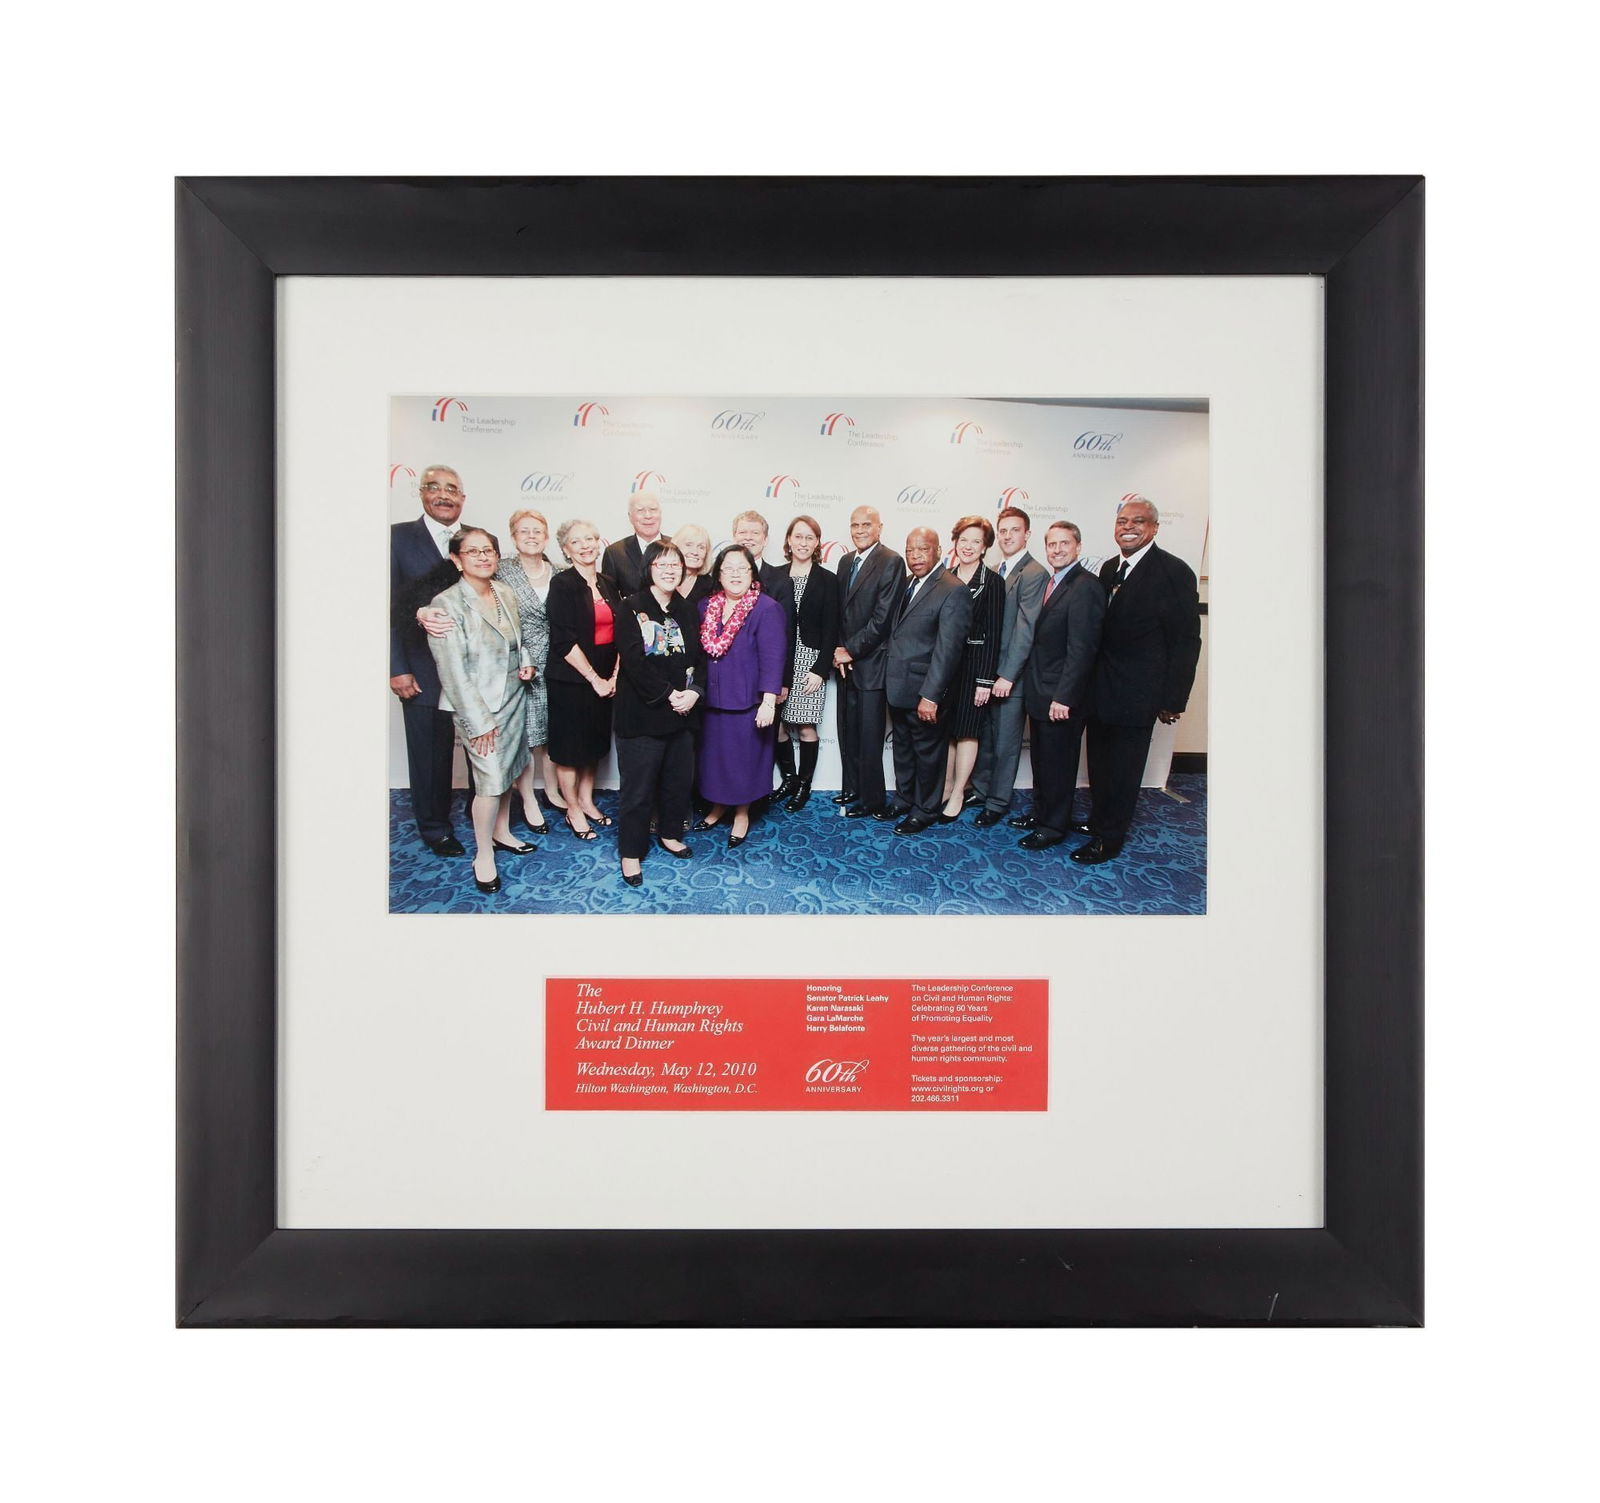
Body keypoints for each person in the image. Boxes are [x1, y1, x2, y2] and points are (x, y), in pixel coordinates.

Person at [1074, 495, 1202, 865]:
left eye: (1138, 521)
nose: (1128, 527)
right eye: (1122, 522)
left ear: (1155, 528)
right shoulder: (1110, 568)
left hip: (1138, 693)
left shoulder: (1174, 572)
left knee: (1124, 769)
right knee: (1099, 763)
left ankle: (1110, 838)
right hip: (1101, 689)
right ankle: (1099, 820)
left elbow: (1186, 640)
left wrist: (1173, 699)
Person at [426, 528, 536, 894]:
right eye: (473, 552)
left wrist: (527, 662)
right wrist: (478, 722)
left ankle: (502, 832)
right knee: (489, 782)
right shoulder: (445, 604)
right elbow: (452, 672)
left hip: (513, 696)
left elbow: (518, 639)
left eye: (488, 550)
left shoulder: (504, 591)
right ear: (457, 560)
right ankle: (483, 854)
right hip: (478, 707)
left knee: (508, 770)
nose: (483, 557)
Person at [390, 464, 474, 855]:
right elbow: (385, 606)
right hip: (421, 667)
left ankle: (483, 815)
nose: (443, 495)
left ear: (462, 498)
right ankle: (435, 828)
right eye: (434, 487)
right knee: (429, 753)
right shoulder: (397, 538)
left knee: (481, 745)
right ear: (421, 493)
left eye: (452, 489)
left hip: (471, 669)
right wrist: (397, 668)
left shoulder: (473, 540)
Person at [613, 541, 704, 888]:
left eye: (675, 565)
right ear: (649, 568)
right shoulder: (630, 607)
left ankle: (669, 834)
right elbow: (633, 662)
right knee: (638, 790)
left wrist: (694, 693)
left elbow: (700, 658)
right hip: (643, 715)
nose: (669, 570)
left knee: (677, 783)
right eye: (662, 564)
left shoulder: (687, 609)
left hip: (683, 713)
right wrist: (669, 694)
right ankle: (631, 851)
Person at [1017, 521, 1107, 851]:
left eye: (1064, 543)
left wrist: (1065, 697)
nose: (1057, 550)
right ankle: (1043, 814)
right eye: (1052, 544)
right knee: (1043, 761)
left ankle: (1053, 827)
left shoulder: (1086, 586)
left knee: (1058, 764)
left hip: (1061, 697)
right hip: (1041, 690)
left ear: (1078, 547)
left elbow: (1082, 649)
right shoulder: (1052, 582)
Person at [881, 527, 973, 835]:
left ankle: (925, 810)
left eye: (922, 549)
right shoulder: (908, 583)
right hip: (899, 687)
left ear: (938, 551)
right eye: (910, 550)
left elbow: (949, 650)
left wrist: (931, 696)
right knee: (903, 749)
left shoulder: (953, 589)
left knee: (928, 754)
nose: (915, 556)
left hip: (925, 692)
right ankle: (904, 799)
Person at [694, 545, 786, 846]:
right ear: (719, 574)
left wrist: (768, 702)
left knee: (744, 761)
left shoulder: (767, 608)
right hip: (712, 699)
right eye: (728, 568)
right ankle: (718, 806)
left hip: (748, 702)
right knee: (715, 759)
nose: (735, 574)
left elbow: (773, 658)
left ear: (752, 573)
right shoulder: (705, 606)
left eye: (742, 568)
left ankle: (742, 813)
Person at [971, 506, 1050, 827]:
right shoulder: (993, 569)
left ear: (1027, 534)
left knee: (1005, 743)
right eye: (1002, 531)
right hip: (986, 673)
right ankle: (981, 789)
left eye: (1014, 530)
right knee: (986, 737)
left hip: (1010, 677)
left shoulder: (1034, 573)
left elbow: (1025, 629)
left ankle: (998, 801)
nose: (1007, 536)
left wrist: (1007, 675)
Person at [546, 519, 623, 840]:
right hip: (572, 680)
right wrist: (594, 678)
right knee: (569, 749)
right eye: (576, 541)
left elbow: (622, 633)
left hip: (605, 678)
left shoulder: (607, 582)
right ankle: (573, 809)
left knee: (593, 745)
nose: (585, 546)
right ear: (566, 549)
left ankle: (587, 801)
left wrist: (613, 676)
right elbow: (563, 641)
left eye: (590, 539)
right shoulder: (562, 584)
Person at [832, 506, 904, 818]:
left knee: (870, 737)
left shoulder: (891, 561)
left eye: (866, 524)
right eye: (855, 525)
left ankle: (872, 799)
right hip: (845, 664)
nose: (860, 530)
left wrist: (850, 650)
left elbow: (882, 619)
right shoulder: (845, 561)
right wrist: (838, 649)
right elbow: (839, 612)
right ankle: (853, 788)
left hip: (872, 664)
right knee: (849, 731)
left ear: (879, 528)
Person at [938, 515, 1004, 821]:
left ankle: (959, 793)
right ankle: (946, 786)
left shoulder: (993, 582)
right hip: (946, 667)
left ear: (985, 547)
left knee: (966, 731)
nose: (968, 546)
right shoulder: (945, 577)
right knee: (948, 731)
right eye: (963, 540)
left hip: (975, 668)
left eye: (976, 541)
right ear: (955, 542)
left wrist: (985, 680)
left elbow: (994, 634)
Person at [774, 514, 840, 811]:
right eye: (798, 536)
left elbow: (831, 629)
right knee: (777, 726)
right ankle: (788, 779)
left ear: (817, 543)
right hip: (779, 659)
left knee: (805, 727)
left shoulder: (828, 580)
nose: (803, 542)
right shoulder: (775, 575)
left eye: (809, 537)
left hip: (809, 661)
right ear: (789, 540)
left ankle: (804, 785)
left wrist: (820, 670)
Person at [601, 490, 665, 597]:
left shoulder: (677, 546)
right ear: (630, 517)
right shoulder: (614, 553)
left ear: (660, 514)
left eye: (653, 509)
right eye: (640, 510)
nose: (648, 515)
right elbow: (610, 597)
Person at [669, 522, 717, 607]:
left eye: (701, 547)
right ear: (675, 547)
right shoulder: (662, 578)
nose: (695, 552)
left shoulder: (711, 586)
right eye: (688, 545)